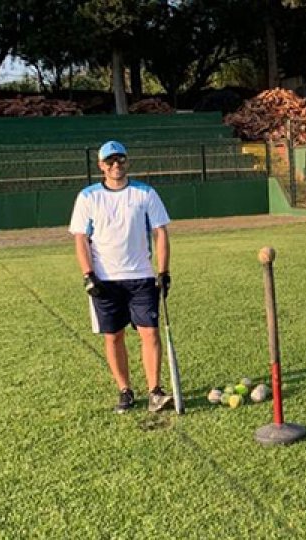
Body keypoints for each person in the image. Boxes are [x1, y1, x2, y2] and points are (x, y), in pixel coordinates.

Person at [69, 140, 174, 414]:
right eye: (110, 161)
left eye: (121, 160)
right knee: (112, 336)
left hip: (141, 276)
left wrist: (163, 272)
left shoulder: (145, 193)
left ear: (127, 162)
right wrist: (87, 274)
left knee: (149, 333)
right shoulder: (88, 197)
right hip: (105, 280)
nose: (116, 165)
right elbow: (81, 238)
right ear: (101, 166)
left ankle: (155, 391)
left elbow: (160, 233)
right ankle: (125, 390)